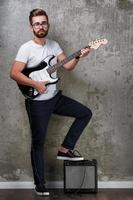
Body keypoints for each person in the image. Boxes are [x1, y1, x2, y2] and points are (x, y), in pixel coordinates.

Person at [10, 8, 92, 196]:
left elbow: (68, 66)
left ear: (48, 24)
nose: (41, 26)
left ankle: (65, 148)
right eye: (37, 23)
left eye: (44, 22)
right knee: (38, 143)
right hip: (37, 102)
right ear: (32, 27)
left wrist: (79, 55)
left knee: (85, 113)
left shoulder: (54, 46)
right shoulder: (26, 48)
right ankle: (40, 184)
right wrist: (35, 84)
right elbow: (14, 73)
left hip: (55, 98)